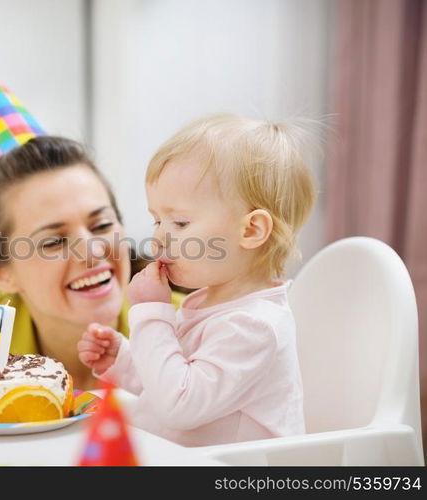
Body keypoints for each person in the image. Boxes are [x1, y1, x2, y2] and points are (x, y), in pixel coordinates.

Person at [78, 113, 317, 446]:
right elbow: (170, 380)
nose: (159, 238)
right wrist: (124, 360)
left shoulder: (253, 326)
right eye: (156, 221)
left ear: (250, 230)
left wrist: (150, 314)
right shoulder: (207, 302)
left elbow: (179, 405)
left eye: (179, 223)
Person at [0, 135, 183, 390]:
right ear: (2, 275)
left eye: (102, 225)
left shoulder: (195, 332)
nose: (91, 252)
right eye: (53, 241)